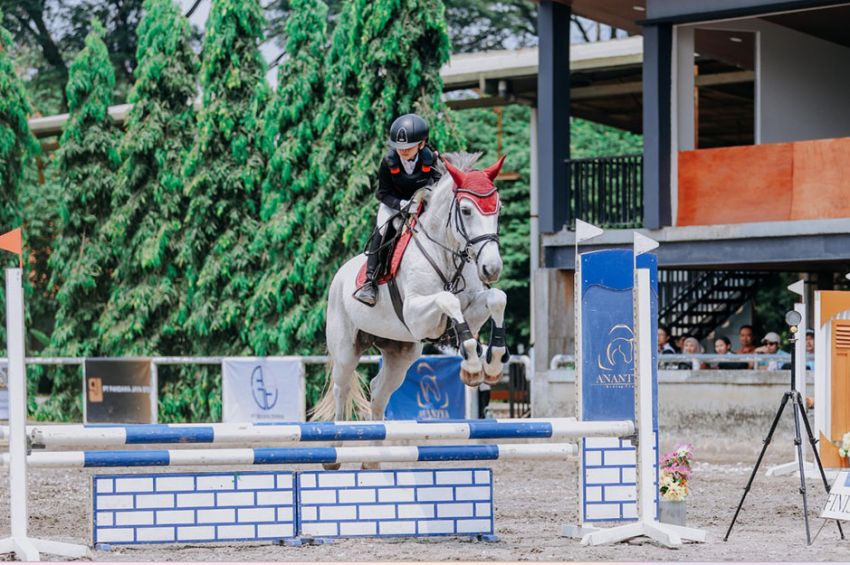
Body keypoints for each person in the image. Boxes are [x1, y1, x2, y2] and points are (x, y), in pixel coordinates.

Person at [354, 113, 442, 306]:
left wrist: (425, 199)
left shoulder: (432, 159)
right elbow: (382, 193)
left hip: (422, 205)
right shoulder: (388, 162)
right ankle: (370, 282)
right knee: (383, 229)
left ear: (421, 144)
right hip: (393, 204)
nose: (403, 151)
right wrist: (402, 205)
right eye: (399, 147)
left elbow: (439, 185)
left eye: (408, 147)